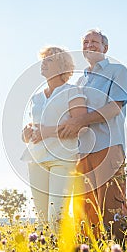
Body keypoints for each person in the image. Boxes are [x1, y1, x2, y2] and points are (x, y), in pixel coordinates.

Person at [59, 29, 127, 240]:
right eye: (85, 42)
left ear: (105, 48)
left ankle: (120, 249)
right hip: (83, 151)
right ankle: (90, 250)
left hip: (108, 146)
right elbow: (71, 115)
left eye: (94, 42)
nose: (89, 45)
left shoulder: (117, 71)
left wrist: (80, 121)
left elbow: (114, 107)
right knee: (84, 209)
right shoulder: (80, 82)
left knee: (112, 206)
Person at [21, 46, 87, 229]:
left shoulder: (73, 91)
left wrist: (46, 132)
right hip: (36, 160)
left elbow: (80, 125)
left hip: (62, 159)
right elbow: (32, 127)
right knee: (42, 219)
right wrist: (25, 134)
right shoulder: (36, 98)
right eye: (43, 59)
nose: (43, 63)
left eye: (49, 59)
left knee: (57, 217)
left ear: (62, 66)